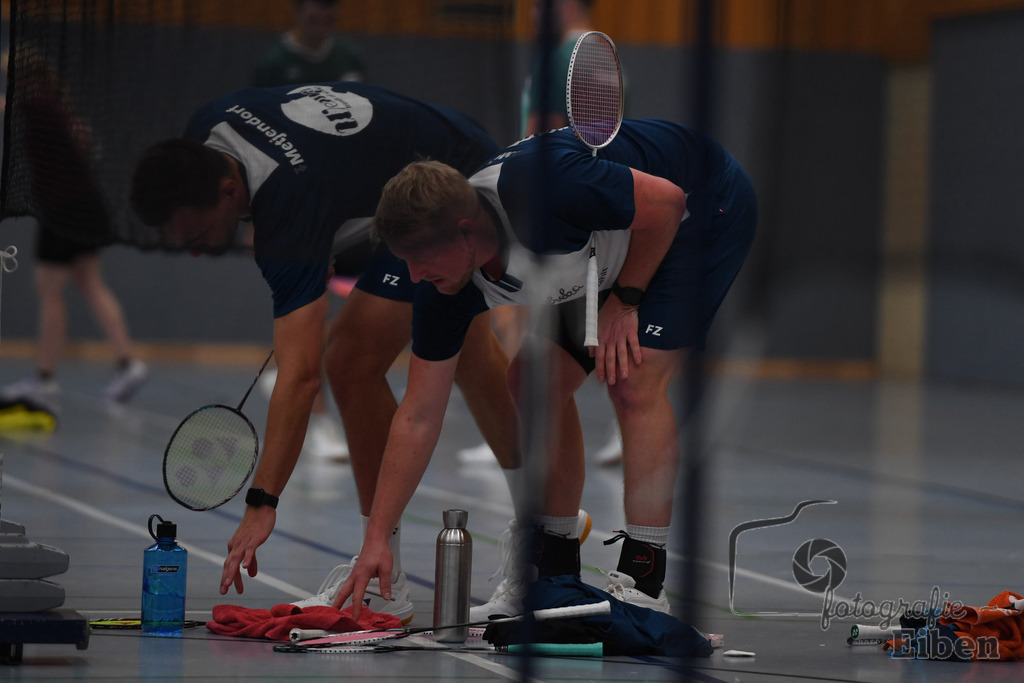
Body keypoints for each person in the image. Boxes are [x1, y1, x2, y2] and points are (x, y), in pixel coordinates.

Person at [129, 82, 524, 624]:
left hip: (450, 182)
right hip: (414, 161)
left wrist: (261, 502)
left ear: (227, 190)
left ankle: (389, 575)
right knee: (474, 361)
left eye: (198, 232)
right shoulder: (208, 130)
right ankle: (543, 527)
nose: (195, 248)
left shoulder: (287, 203)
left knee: (349, 364)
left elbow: (299, 377)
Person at [333, 119, 757, 621]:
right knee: (532, 384)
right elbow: (419, 414)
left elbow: (665, 203)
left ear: (467, 231)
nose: (414, 276)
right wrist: (377, 539)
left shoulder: (539, 190)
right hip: (610, 242)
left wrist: (626, 300)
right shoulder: (442, 287)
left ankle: (644, 583)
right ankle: (553, 573)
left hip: (696, 209)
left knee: (632, 381)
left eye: (421, 258)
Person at [459, 0, 624, 467]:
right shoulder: (602, 55)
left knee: (528, 321)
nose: (531, 11)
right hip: (584, 200)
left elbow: (545, 133)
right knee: (577, 326)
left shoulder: (562, 57)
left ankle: (519, 435)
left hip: (548, 203)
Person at [0, 59, 148, 422]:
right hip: (83, 205)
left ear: (29, 76)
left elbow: (8, 105)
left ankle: (45, 380)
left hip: (63, 209)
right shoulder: (55, 106)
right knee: (90, 283)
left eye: (13, 75)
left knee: (49, 290)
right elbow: (85, 141)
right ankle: (127, 362)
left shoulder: (38, 104)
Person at [251, 0, 366, 462]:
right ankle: (320, 424)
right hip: (293, 206)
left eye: (327, 13)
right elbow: (257, 140)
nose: (319, 22)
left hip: (347, 207)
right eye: (311, 13)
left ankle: (283, 373)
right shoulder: (273, 66)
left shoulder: (350, 61)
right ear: (297, 14)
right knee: (309, 309)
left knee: (351, 310)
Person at [253, 0, 365, 88]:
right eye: (314, 21)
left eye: (328, 21)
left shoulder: (349, 57)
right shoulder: (273, 64)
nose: (321, 30)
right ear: (297, 12)